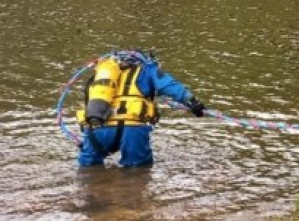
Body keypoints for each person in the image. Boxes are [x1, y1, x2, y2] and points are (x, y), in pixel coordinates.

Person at [76, 49, 206, 167]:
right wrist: (193, 102)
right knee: (137, 170)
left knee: (88, 167)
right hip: (132, 129)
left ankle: (89, 190)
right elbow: (169, 86)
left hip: (99, 127)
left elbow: (90, 101)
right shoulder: (148, 69)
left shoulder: (103, 74)